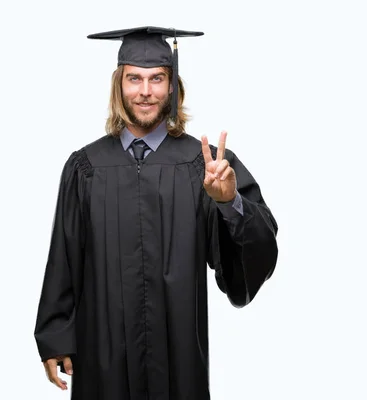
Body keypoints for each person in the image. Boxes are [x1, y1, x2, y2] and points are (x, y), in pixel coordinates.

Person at [33, 26, 279, 400]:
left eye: (157, 79)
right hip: (103, 355)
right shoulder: (86, 167)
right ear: (119, 86)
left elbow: (254, 255)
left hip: (178, 356)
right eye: (134, 79)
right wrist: (54, 335)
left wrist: (229, 202)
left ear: (172, 86)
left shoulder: (205, 166)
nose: (145, 91)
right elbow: (64, 256)